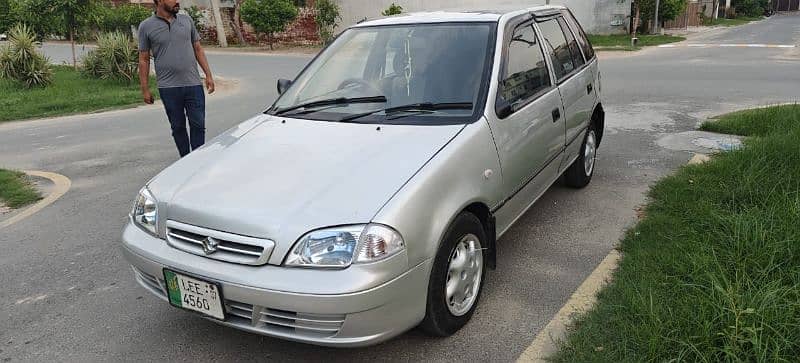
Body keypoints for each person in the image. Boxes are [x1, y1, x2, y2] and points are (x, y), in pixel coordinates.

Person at [138, 0, 215, 157]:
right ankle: (185, 159)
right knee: (178, 127)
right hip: (169, 88)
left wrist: (208, 75)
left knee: (198, 124)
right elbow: (144, 59)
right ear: (159, 1)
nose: (177, 1)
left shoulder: (186, 21)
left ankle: (198, 158)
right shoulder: (146, 26)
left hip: (193, 84)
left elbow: (198, 48)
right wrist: (145, 89)